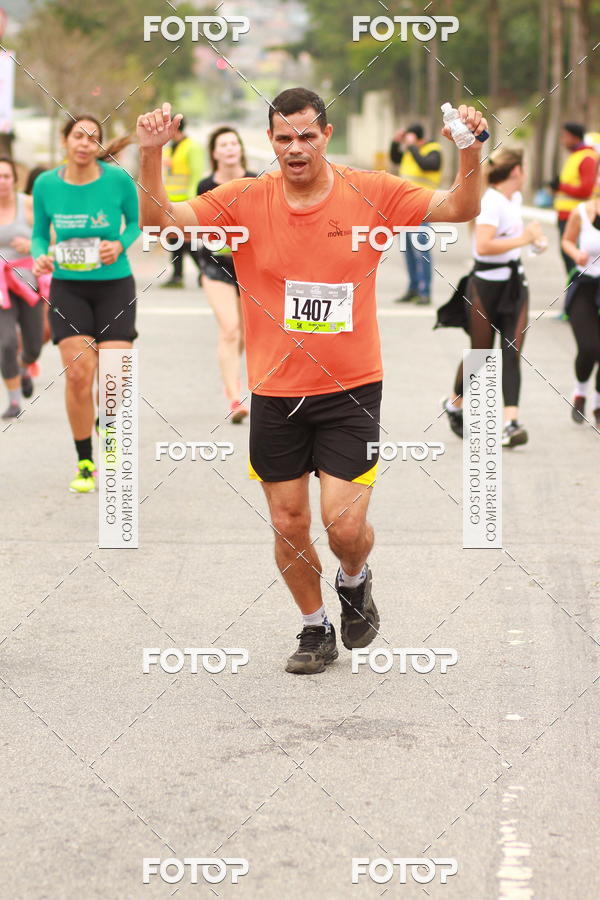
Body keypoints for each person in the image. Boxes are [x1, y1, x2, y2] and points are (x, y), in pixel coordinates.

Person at [137, 89, 488, 674]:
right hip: (275, 393)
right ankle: (313, 627)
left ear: (325, 134)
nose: (295, 149)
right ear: (269, 142)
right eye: (282, 139)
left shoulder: (372, 192)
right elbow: (160, 219)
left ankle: (355, 578)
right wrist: (150, 153)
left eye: (305, 136)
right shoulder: (246, 199)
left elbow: (459, 207)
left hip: (351, 387)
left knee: (343, 524)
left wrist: (470, 149)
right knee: (288, 521)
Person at [32, 115, 140, 493]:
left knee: (113, 377)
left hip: (115, 286)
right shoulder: (46, 183)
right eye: (78, 136)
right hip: (68, 288)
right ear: (65, 140)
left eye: (93, 138)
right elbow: (37, 235)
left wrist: (120, 244)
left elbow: (135, 225)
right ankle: (85, 461)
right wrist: (40, 256)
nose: (85, 143)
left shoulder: (117, 180)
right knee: (79, 373)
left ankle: (106, 432)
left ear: (99, 146)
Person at [441, 149, 544, 448]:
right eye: (524, 169)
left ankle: (511, 423)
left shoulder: (514, 199)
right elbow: (484, 246)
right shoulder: (490, 202)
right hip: (484, 286)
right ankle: (454, 403)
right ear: (516, 172)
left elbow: (511, 237)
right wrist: (525, 239)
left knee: (511, 351)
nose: (525, 174)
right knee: (482, 355)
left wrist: (534, 241)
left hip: (514, 284)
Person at [196, 127, 256, 423]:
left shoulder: (257, 181)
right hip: (215, 267)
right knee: (230, 329)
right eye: (223, 144)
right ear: (215, 153)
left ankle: (234, 379)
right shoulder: (205, 185)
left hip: (251, 269)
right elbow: (196, 226)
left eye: (234, 142)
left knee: (245, 334)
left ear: (240, 148)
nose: (230, 148)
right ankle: (234, 395)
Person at [0, 157, 45, 419]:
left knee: (34, 344)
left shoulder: (27, 205)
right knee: (5, 342)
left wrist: (31, 246)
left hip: (28, 281)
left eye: (6, 176)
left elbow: (50, 234)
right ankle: (14, 401)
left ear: (14, 180)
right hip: (1, 287)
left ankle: (24, 365)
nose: (2, 182)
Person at [389, 123, 442, 305]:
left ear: (417, 137)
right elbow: (395, 158)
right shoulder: (410, 152)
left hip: (423, 207)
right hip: (404, 207)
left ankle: (425, 291)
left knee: (422, 251)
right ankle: (412, 289)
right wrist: (396, 143)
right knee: (408, 251)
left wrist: (412, 146)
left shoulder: (432, 149)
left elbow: (428, 165)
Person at [561, 195, 600, 426]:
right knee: (589, 347)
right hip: (584, 285)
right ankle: (580, 392)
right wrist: (576, 254)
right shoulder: (582, 212)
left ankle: (597, 403)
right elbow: (567, 240)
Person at [162, 116, 204, 288]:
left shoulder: (192, 147)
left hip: (186, 201)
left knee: (185, 240)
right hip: (170, 201)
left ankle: (202, 270)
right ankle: (180, 275)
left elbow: (196, 174)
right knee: (176, 239)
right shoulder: (168, 148)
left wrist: (192, 200)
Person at [553, 123, 599, 277]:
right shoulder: (575, 155)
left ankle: (579, 292)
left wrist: (561, 186)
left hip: (578, 217)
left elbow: (586, 190)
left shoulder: (586, 157)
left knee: (576, 262)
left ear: (574, 137)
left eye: (564, 136)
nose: (562, 140)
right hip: (566, 215)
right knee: (569, 257)